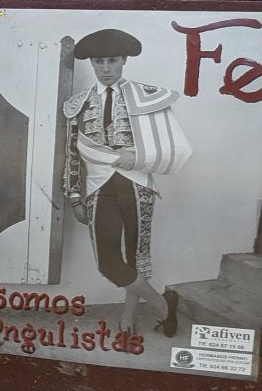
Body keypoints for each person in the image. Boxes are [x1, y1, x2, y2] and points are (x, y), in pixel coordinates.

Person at [63, 28, 192, 337]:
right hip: (97, 187)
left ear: (123, 61)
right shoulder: (77, 104)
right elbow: (71, 155)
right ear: (92, 64)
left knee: (135, 256)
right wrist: (74, 198)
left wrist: (138, 157)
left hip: (136, 185)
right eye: (99, 62)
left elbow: (173, 147)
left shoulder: (145, 96)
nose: (106, 69)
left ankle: (127, 316)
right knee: (108, 262)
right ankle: (163, 305)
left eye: (112, 61)